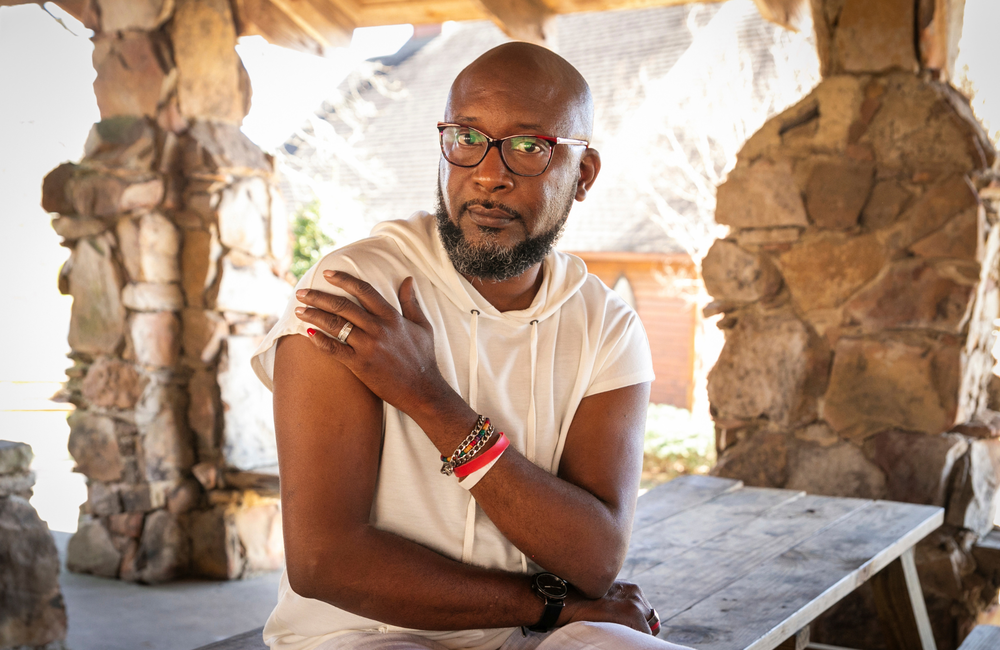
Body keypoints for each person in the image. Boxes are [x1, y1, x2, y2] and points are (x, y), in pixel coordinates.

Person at [250, 42, 691, 650]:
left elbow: (594, 559)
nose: (489, 174)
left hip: (529, 632)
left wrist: (428, 398)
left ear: (582, 175)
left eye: (530, 147)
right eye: (466, 138)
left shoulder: (605, 325)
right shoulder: (355, 290)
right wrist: (542, 608)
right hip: (362, 637)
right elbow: (325, 561)